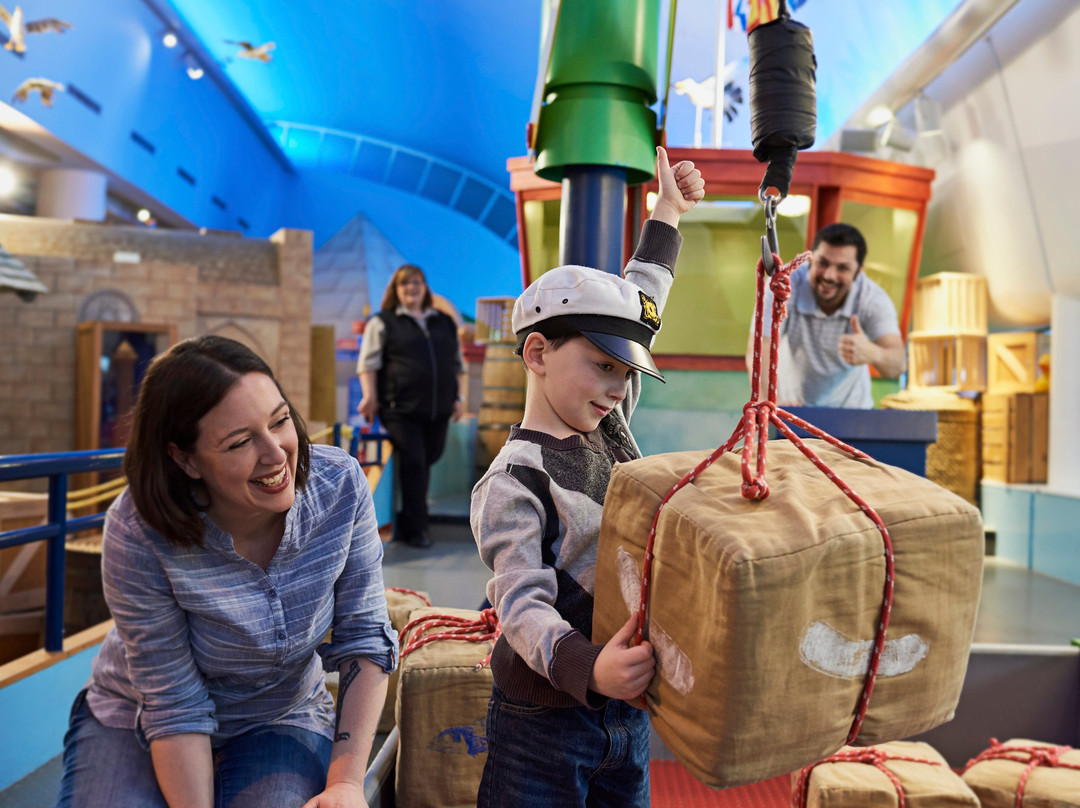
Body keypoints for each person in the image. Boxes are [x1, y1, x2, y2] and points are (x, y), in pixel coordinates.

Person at [56, 336, 397, 808]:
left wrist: (344, 784)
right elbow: (174, 703)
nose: (276, 454)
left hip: (279, 713)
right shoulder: (139, 529)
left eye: (279, 421)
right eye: (240, 442)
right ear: (185, 458)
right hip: (138, 713)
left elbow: (364, 636)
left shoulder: (339, 486)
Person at [469, 146, 704, 808]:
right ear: (538, 353)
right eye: (603, 366)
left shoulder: (609, 425)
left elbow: (644, 300)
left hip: (624, 717)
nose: (616, 387)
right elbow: (520, 606)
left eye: (625, 373)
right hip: (543, 724)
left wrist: (668, 212)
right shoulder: (513, 480)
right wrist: (589, 666)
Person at [356, 265, 465, 549]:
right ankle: (417, 529)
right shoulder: (383, 322)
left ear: (425, 287)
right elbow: (368, 364)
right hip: (399, 408)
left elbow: (457, 365)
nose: (411, 288)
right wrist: (370, 397)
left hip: (438, 409)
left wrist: (458, 398)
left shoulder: (443, 322)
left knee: (429, 458)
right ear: (396, 291)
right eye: (404, 284)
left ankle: (406, 519)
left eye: (416, 283)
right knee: (415, 463)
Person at [745, 222, 906, 408]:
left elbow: (898, 364)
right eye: (823, 263)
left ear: (858, 271)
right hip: (792, 406)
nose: (829, 275)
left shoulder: (872, 298)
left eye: (843, 268)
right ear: (810, 259)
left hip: (851, 411)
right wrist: (770, 404)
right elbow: (760, 348)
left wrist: (873, 353)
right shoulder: (783, 285)